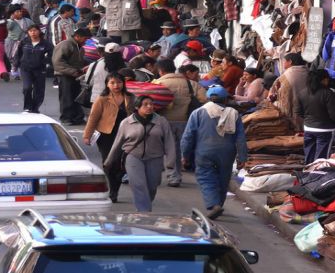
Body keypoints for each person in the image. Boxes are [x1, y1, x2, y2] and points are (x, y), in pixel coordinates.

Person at [181, 85, 247, 219]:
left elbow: (188, 136)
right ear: (225, 99)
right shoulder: (234, 114)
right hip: (227, 153)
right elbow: (240, 138)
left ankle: (213, 204)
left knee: (206, 177)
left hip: (204, 151)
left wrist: (184, 155)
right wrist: (242, 157)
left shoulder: (198, 112)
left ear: (208, 99)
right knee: (223, 178)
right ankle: (219, 204)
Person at [105, 95, 177, 211]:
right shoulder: (126, 123)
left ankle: (145, 205)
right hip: (133, 156)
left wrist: (170, 161)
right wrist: (109, 160)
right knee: (138, 184)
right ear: (137, 107)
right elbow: (118, 142)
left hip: (155, 157)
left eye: (151, 104)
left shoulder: (161, 121)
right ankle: (144, 212)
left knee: (152, 186)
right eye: (145, 105)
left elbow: (169, 141)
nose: (149, 107)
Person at [153, 58, 205, 188]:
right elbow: (204, 99)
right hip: (186, 121)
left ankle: (165, 175)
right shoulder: (190, 83)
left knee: (163, 149)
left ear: (161, 71)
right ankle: (182, 175)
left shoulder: (157, 83)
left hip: (163, 121)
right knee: (181, 149)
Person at [83, 73, 135, 202]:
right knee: (109, 164)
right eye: (112, 83)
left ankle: (114, 189)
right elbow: (93, 117)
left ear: (123, 83)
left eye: (118, 82)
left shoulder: (130, 98)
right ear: (107, 84)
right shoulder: (102, 99)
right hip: (106, 136)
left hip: (126, 135)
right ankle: (112, 190)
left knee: (121, 164)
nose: (116, 85)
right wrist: (87, 135)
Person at [296, 68, 335, 163]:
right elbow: (334, 114)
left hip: (308, 128)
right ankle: (317, 175)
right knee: (321, 158)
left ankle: (308, 173)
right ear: (323, 80)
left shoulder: (302, 93)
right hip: (325, 129)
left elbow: (298, 111)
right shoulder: (328, 93)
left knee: (309, 155)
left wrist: (309, 119)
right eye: (327, 79)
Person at [52, 27, 89, 125]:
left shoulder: (80, 47)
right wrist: (73, 71)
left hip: (75, 75)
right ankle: (66, 118)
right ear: (77, 37)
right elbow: (58, 62)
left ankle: (77, 117)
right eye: (85, 38)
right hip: (64, 75)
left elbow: (79, 61)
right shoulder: (65, 45)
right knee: (66, 97)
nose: (86, 41)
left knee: (76, 97)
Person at [13, 26, 51, 113]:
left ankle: (35, 107)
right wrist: (16, 65)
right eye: (30, 31)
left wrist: (45, 62)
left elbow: (51, 55)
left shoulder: (45, 43)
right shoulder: (24, 42)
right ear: (28, 32)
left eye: (35, 30)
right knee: (27, 88)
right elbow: (18, 54)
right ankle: (27, 107)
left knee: (39, 90)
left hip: (40, 69)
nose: (33, 33)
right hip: (25, 69)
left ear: (39, 31)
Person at [270, 52, 310, 131]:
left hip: (293, 113)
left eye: (284, 61)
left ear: (290, 62)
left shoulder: (286, 76)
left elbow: (275, 92)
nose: (283, 63)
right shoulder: (308, 72)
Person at [6, 4, 32, 79]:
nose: (20, 13)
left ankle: (20, 72)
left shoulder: (27, 21)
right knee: (13, 57)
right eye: (17, 12)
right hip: (12, 42)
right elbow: (7, 28)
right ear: (12, 13)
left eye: (20, 11)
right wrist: (11, 20)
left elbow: (33, 28)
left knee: (23, 57)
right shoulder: (9, 21)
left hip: (24, 42)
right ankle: (15, 70)